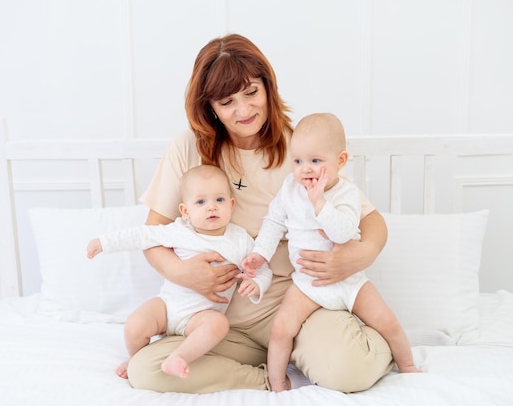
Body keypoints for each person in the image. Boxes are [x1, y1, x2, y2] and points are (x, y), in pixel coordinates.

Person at [128, 33, 394, 394]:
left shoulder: (299, 146)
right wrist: (184, 273)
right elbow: (153, 235)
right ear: (210, 107)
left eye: (252, 92)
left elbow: (370, 220)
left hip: (294, 310)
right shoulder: (188, 147)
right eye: (227, 101)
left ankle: (346, 346)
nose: (244, 110)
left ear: (267, 86)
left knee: (352, 370)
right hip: (214, 323)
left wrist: (359, 254)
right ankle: (263, 380)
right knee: (147, 371)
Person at [242, 112, 419, 391]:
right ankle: (277, 382)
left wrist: (320, 204)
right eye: (298, 161)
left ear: (340, 161)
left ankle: (408, 366)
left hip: (349, 282)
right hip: (307, 283)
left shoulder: (345, 193)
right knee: (281, 328)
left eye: (316, 161)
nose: (305, 169)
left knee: (387, 320)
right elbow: (274, 221)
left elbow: (344, 232)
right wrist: (260, 254)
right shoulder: (290, 189)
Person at [86, 164, 272, 380]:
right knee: (135, 324)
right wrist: (104, 243)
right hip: (167, 306)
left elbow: (262, 268)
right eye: (201, 202)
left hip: (200, 317)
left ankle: (179, 357)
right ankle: (136, 358)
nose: (211, 207)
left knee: (218, 325)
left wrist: (257, 283)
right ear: (185, 211)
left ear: (231, 205)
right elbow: (142, 235)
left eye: (219, 200)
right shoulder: (179, 230)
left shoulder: (240, 240)